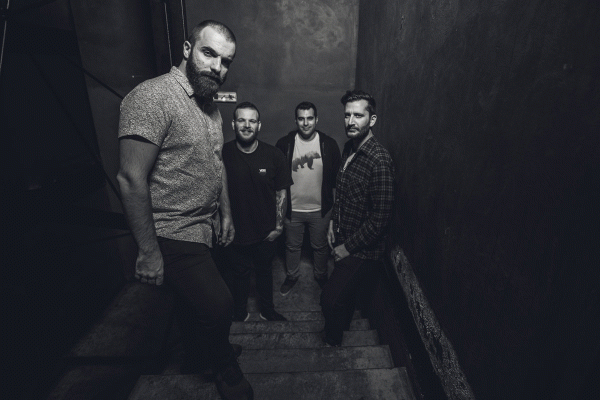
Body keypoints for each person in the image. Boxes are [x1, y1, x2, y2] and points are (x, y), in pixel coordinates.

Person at [116, 20, 253, 400]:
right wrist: (148, 252)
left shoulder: (210, 108)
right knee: (219, 304)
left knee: (195, 305)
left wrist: (225, 212)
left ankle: (199, 353)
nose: (217, 67)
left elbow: (217, 164)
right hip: (170, 230)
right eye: (209, 53)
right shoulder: (152, 97)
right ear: (187, 49)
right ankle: (223, 365)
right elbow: (130, 177)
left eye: (226, 61)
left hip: (203, 226)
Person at [320, 90, 394, 347]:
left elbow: (380, 219)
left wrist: (346, 248)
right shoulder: (349, 148)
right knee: (343, 297)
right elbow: (342, 193)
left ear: (371, 120)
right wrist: (333, 222)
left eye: (358, 116)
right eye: (347, 115)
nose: (350, 121)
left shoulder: (379, 161)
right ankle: (340, 329)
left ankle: (332, 342)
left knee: (329, 300)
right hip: (343, 237)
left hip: (362, 250)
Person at [222, 102, 292, 322]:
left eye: (252, 121)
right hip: (235, 232)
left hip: (266, 232)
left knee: (264, 272)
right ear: (233, 124)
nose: (247, 125)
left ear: (259, 125)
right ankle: (239, 312)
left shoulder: (274, 155)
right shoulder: (223, 153)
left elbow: (281, 192)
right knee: (238, 275)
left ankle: (267, 311)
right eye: (241, 120)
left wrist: (278, 227)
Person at [275, 102, 341, 295]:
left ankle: (321, 275)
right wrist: (279, 211)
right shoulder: (284, 144)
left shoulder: (329, 145)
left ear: (316, 120)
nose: (305, 123)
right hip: (292, 210)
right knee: (292, 246)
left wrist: (334, 213)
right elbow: (277, 181)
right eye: (301, 119)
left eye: (309, 118)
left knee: (320, 247)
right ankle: (292, 276)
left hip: (321, 210)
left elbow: (337, 182)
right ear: (296, 121)